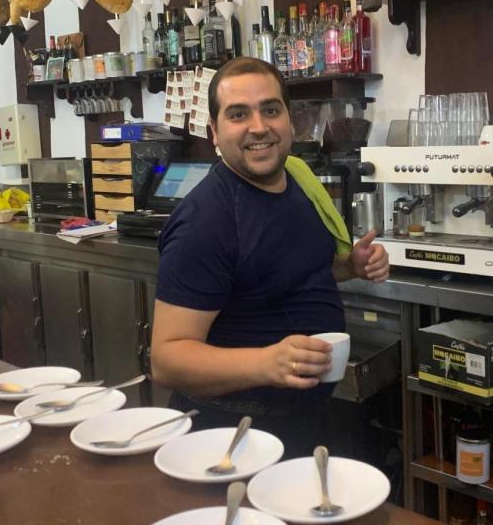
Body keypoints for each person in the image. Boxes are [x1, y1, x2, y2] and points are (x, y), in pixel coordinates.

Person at [150, 57, 389, 457]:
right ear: (214, 132)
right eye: (238, 114)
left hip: (301, 418)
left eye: (271, 110)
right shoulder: (205, 221)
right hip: (231, 433)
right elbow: (167, 360)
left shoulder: (297, 181)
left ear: (289, 121)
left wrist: (350, 267)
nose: (259, 127)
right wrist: (266, 363)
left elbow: (290, 273)